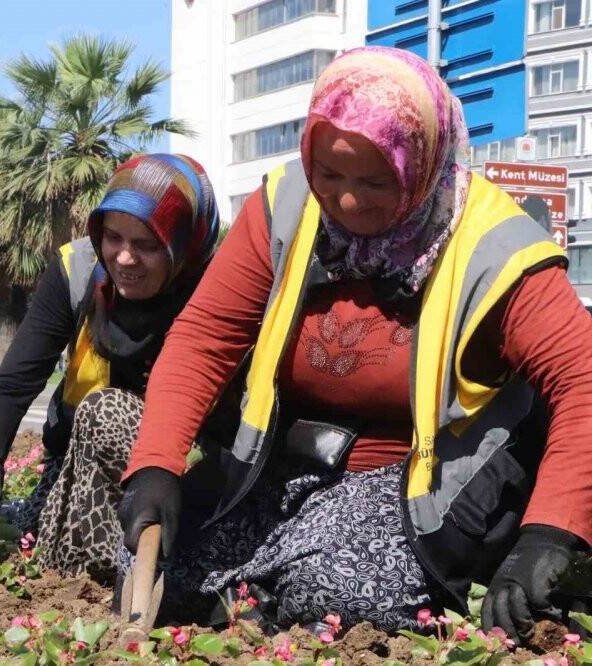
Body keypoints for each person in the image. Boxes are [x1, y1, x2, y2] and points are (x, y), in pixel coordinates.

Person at [117, 46, 592, 638]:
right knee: (151, 556)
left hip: (418, 489)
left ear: (422, 162)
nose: (346, 200)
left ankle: (273, 593)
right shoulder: (284, 204)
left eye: (374, 180)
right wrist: (157, 464)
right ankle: (265, 591)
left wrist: (550, 532)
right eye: (329, 174)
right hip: (290, 469)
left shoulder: (497, 248)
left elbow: (582, 381)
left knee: (336, 587)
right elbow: (205, 336)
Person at [0, 154, 231, 582]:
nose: (124, 258)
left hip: (176, 482)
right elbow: (13, 384)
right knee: (24, 536)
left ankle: (123, 566)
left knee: (106, 412)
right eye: (112, 237)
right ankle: (85, 563)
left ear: (184, 245)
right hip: (79, 466)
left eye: (147, 245)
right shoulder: (77, 270)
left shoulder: (222, 287)